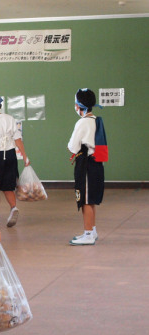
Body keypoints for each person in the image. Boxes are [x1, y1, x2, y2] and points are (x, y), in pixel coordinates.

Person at [0, 94, 30, 227]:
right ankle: (13, 207)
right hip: (10, 155)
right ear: (0, 106)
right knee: (8, 186)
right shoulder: (10, 119)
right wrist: (25, 157)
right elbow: (18, 138)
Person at [68, 88, 106, 246]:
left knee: (85, 199)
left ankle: (88, 234)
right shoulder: (96, 120)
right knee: (90, 199)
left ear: (79, 105)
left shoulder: (82, 122)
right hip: (96, 164)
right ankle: (92, 230)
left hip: (86, 165)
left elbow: (72, 146)